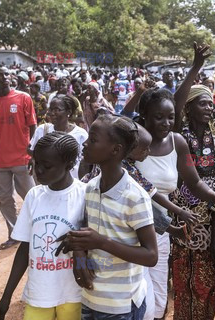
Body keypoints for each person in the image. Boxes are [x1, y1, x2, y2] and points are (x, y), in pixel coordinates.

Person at [168, 13, 215, 320]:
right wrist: (195, 68)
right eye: (202, 103)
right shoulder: (178, 131)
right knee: (182, 274)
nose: (209, 107)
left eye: (211, 104)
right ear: (189, 108)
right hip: (183, 209)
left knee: (208, 277)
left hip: (213, 210)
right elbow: (174, 102)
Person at [58, 114, 158, 319]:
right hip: (91, 297)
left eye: (93, 139)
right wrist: (79, 254)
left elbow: (151, 255)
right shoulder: (92, 187)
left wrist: (102, 242)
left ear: (115, 150)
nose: (85, 143)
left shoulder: (135, 197)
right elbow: (83, 232)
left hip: (121, 305)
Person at [0, 132, 85, 320]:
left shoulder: (84, 195)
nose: (38, 170)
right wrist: (6, 297)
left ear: (69, 165)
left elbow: (89, 245)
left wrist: (84, 272)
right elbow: (25, 247)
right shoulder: (34, 196)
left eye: (46, 166)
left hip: (73, 293)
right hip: (39, 293)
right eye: (36, 163)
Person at [0, 65, 37, 250]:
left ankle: (37, 231)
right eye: (0, 75)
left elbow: (32, 126)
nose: (5, 77)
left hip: (22, 158)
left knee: (31, 197)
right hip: (0, 162)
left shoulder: (23, 98)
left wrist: (33, 153)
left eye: (7, 74)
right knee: (5, 200)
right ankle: (14, 234)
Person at [28, 95, 88, 180]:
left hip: (73, 184)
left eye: (57, 110)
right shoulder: (42, 130)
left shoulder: (81, 134)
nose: (52, 113)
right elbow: (30, 149)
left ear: (69, 112)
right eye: (51, 109)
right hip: (48, 183)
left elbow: (86, 161)